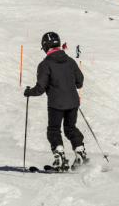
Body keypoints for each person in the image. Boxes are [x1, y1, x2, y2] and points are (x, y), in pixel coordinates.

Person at [24, 32, 87, 171]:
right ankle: (80, 152)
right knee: (70, 128)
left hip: (56, 104)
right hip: (73, 102)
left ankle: (60, 158)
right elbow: (80, 82)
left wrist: (29, 92)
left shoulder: (45, 64)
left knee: (54, 130)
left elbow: (40, 88)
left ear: (45, 46)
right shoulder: (70, 61)